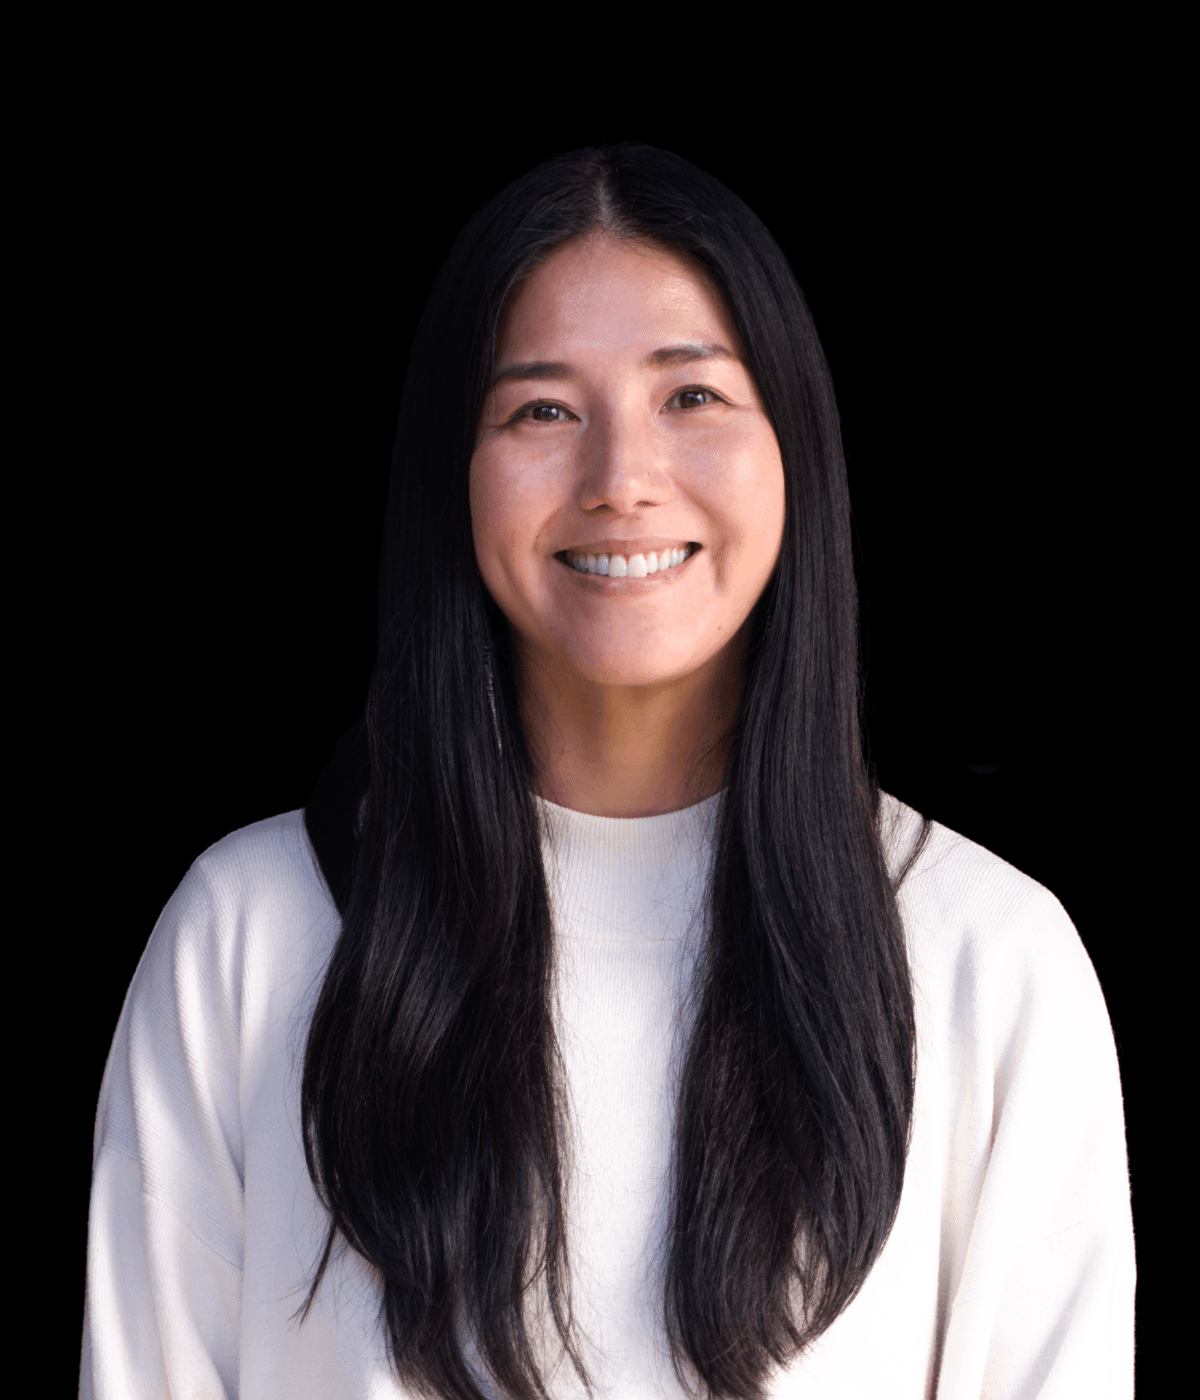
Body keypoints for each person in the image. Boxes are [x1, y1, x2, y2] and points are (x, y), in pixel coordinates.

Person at [80, 144, 1135, 1399]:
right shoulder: (249, 936)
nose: (621, 479)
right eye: (542, 410)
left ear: (794, 446)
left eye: (691, 396)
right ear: (453, 471)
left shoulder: (990, 959)